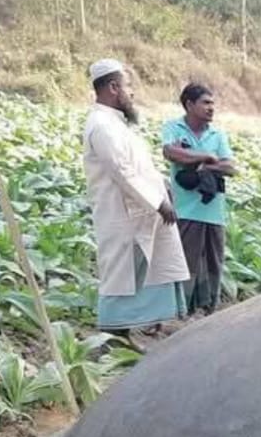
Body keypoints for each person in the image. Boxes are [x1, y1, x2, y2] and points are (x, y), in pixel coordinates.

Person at [83, 60, 188, 343]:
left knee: (141, 275)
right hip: (123, 215)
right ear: (113, 87)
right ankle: (110, 342)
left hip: (138, 212)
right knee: (121, 280)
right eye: (128, 86)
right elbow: (122, 172)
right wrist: (158, 202)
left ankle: (125, 337)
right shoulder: (102, 126)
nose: (133, 93)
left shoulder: (114, 123)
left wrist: (163, 187)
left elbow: (137, 166)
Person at [161, 82, 235, 315]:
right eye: (205, 103)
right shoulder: (173, 127)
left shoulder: (218, 134)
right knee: (186, 261)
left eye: (212, 103)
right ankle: (181, 309)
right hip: (185, 209)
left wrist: (200, 165)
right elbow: (171, 152)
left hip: (213, 211)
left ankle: (208, 308)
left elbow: (231, 166)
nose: (211, 108)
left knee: (213, 261)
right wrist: (207, 157)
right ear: (189, 104)